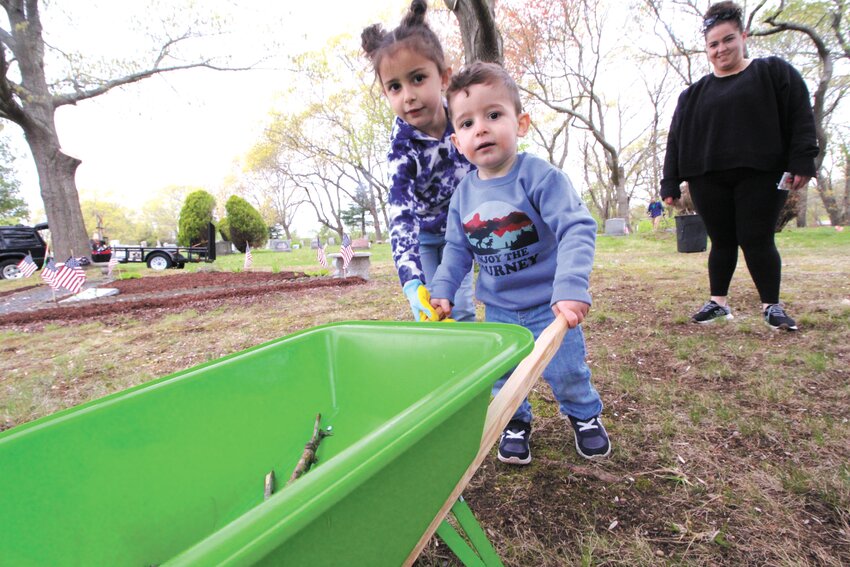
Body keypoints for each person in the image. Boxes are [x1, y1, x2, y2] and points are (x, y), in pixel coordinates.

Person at [429, 62, 610, 464]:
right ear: (458, 142)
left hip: (551, 305)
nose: (482, 128)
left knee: (565, 370)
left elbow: (577, 228)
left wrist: (570, 286)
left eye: (494, 115)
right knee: (504, 375)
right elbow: (457, 249)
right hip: (498, 307)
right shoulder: (463, 195)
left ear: (521, 122)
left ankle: (584, 415)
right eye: (467, 122)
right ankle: (514, 421)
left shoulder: (540, 177)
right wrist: (442, 288)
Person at [661, 1, 818, 331]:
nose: (721, 49)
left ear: (743, 36)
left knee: (756, 237)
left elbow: (800, 116)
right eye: (713, 44)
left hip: (762, 172)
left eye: (728, 39)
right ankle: (718, 304)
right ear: (707, 49)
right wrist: (670, 183)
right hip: (706, 176)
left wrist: (803, 159)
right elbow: (675, 138)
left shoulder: (773, 73)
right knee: (721, 239)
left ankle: (771, 306)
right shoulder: (693, 95)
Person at [361, 0, 475, 322]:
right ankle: (440, 364)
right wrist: (412, 281)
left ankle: (472, 364)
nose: (407, 95)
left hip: (459, 234)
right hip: (422, 237)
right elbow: (401, 216)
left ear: (444, 78)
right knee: (430, 310)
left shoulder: (466, 122)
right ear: (386, 94)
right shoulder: (402, 150)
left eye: (417, 78)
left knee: (459, 305)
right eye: (394, 86)